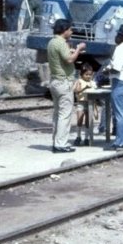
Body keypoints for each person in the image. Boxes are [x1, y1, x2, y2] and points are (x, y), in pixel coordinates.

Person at [47, 19, 87, 153]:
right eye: (70, 29)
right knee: (65, 114)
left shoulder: (52, 42)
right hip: (64, 82)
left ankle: (56, 141)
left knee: (57, 113)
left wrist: (72, 51)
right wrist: (78, 49)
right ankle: (61, 144)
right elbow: (69, 59)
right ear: (64, 30)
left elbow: (63, 57)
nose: (71, 32)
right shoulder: (61, 43)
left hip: (54, 81)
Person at [73, 63, 96, 146]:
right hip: (81, 103)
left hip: (89, 103)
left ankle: (86, 137)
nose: (88, 76)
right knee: (79, 119)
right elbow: (76, 90)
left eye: (90, 75)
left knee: (87, 121)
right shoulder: (79, 81)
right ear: (81, 74)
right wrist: (83, 87)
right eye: (86, 74)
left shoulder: (92, 83)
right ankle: (78, 136)